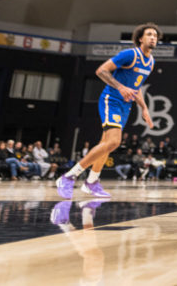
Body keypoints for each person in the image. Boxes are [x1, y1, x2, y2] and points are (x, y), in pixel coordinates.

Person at [56, 24, 157, 199]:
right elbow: (101, 70)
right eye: (149, 34)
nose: (153, 38)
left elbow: (137, 86)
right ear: (140, 38)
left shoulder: (151, 62)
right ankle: (68, 177)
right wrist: (120, 87)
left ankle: (91, 182)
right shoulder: (130, 54)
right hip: (112, 99)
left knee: (106, 145)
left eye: (155, 35)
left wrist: (144, 108)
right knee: (113, 142)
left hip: (126, 105)